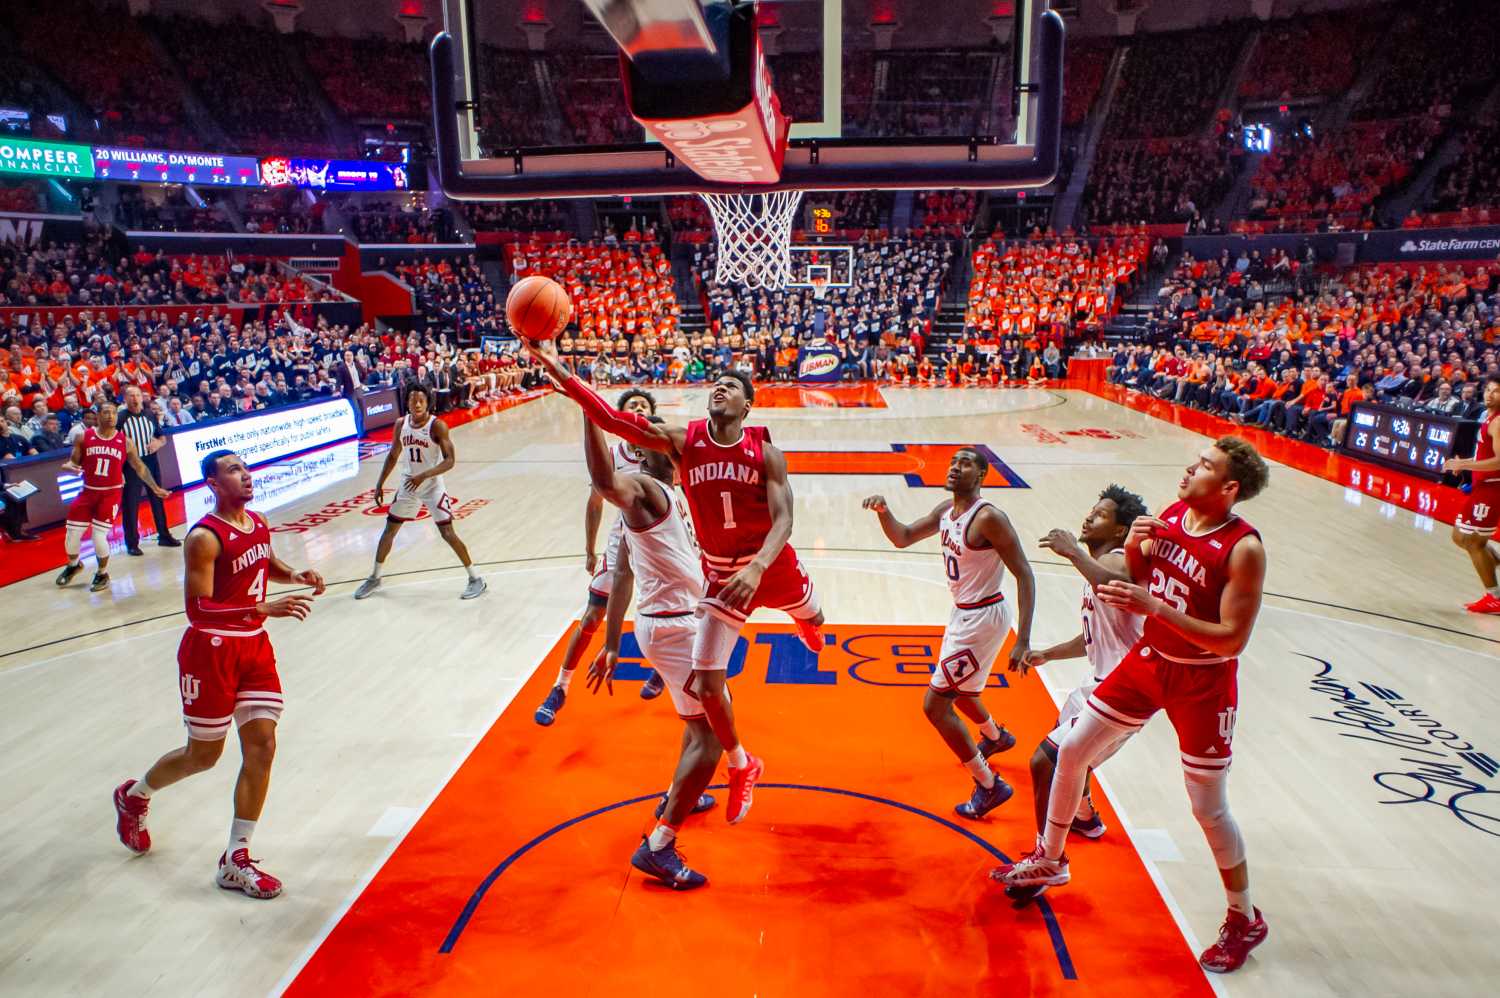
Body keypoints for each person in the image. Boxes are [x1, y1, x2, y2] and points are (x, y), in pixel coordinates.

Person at [995, 437, 1271, 975]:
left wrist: (1156, 607)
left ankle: (1243, 917)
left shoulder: (1244, 549)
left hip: (1203, 680)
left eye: (1205, 466)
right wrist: (1140, 547)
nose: (1189, 468)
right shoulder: (1172, 516)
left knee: (1208, 808)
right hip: (1149, 661)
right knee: (1069, 751)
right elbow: (1138, 580)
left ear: (1229, 487)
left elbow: (1232, 640)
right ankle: (1050, 860)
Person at [524, 340, 824, 826]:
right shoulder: (656, 478)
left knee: (709, 709)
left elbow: (783, 519)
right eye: (716, 384)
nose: (719, 388)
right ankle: (708, 794)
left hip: (731, 584)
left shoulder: (706, 477)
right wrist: (568, 381)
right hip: (691, 609)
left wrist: (616, 643)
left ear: (749, 405)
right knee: (710, 713)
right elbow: (612, 442)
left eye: (731, 385)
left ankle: (684, 790)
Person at [112, 449, 326, 899]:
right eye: (233, 470)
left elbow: (265, 563)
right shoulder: (203, 538)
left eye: (245, 468)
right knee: (203, 756)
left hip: (253, 647)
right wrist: (260, 608)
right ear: (212, 483)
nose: (245, 475)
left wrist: (295, 574)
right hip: (209, 651)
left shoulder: (258, 522)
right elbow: (198, 608)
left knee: (263, 744)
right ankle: (135, 796)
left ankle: (236, 858)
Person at [577, 414, 718, 889]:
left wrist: (613, 645)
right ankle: (659, 846)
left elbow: (623, 574)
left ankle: (681, 793)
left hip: (674, 624)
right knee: (713, 737)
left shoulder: (670, 494)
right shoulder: (645, 488)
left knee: (696, 724)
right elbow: (604, 482)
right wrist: (589, 412)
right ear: (641, 451)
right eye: (651, 435)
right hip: (674, 628)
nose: (666, 439)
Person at [860, 448, 1035, 820]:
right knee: (964, 693)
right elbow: (903, 537)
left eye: (966, 463)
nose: (955, 467)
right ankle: (995, 736)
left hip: (982, 618)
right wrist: (884, 512)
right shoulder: (946, 510)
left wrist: (1023, 639)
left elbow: (1025, 573)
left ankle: (989, 784)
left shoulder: (989, 518)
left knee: (936, 706)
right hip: (965, 614)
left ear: (982, 475)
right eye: (954, 462)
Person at [1006, 486, 1148, 901]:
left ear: (1120, 530)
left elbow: (1121, 582)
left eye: (1100, 515)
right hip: (1101, 683)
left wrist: (1072, 552)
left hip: (1124, 689)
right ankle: (1084, 817)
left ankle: (1048, 860)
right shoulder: (1098, 568)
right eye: (1091, 510)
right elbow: (1095, 638)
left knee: (1045, 762)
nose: (1089, 517)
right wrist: (1050, 653)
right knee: (1067, 747)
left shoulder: (1117, 560)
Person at [535, 389, 664, 726]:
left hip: (659, 544)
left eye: (644, 405)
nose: (639, 408)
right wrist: (589, 547)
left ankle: (667, 669)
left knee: (672, 614)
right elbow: (595, 503)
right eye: (632, 405)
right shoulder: (610, 455)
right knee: (593, 616)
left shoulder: (663, 449)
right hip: (621, 541)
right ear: (620, 416)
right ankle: (560, 686)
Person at [354, 385, 487, 601]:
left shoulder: (438, 426)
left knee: (447, 533)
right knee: (389, 531)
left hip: (432, 485)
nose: (416, 404)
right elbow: (393, 455)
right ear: (406, 402)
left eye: (421, 401)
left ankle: (475, 578)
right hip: (409, 485)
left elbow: (450, 461)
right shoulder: (401, 424)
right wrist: (379, 483)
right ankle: (375, 577)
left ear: (427, 403)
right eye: (413, 400)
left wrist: (424, 475)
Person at [55, 401, 169, 593]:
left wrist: (155, 487)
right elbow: (74, 462)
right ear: (98, 416)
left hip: (111, 493)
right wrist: (69, 467)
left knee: (98, 536)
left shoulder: (125, 441)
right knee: (72, 534)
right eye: (106, 412)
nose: (111, 416)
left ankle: (102, 573)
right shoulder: (84, 437)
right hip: (88, 491)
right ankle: (74, 565)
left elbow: (139, 467)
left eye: (114, 413)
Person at [1443, 375, 1500, 614]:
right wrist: (1465, 463)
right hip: (1481, 487)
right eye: (1488, 389)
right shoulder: (1488, 417)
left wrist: (1465, 465)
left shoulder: (1498, 422)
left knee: (1474, 541)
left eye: (1496, 391)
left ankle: (1495, 597)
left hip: (1492, 488)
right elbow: (1484, 454)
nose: (1489, 394)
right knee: (1460, 537)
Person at [119, 385, 180, 555]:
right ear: (125, 399)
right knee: (131, 504)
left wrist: (158, 443)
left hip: (151, 461)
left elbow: (162, 437)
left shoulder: (149, 415)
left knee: (157, 498)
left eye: (137, 395)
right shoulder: (120, 418)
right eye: (131, 395)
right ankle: (132, 543)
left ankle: (164, 535)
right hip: (131, 465)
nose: (135, 398)